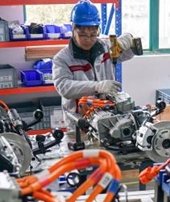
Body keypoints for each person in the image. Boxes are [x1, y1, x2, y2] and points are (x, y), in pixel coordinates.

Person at [52, 0, 136, 132]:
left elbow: (128, 54)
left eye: (93, 35)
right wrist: (97, 86)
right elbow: (64, 87)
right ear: (73, 29)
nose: (88, 39)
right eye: (83, 35)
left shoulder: (106, 47)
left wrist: (130, 39)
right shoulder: (62, 59)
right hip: (80, 123)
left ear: (98, 30)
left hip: (108, 118)